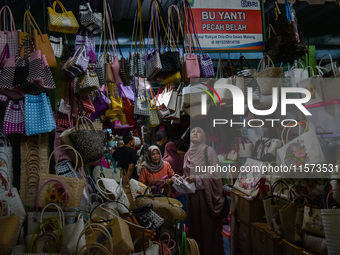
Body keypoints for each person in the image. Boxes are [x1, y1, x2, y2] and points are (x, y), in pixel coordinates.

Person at [183, 127, 225, 255]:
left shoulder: (208, 151)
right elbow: (186, 175)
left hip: (206, 197)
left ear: (204, 137)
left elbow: (216, 173)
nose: (195, 133)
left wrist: (198, 178)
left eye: (199, 132)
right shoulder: (187, 154)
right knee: (196, 228)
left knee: (208, 230)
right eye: (193, 132)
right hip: (192, 198)